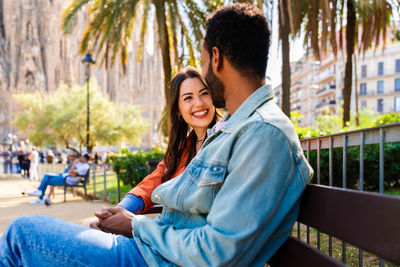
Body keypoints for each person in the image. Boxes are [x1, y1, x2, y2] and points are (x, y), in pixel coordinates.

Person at [0, 4, 313, 266]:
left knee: (21, 235)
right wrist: (125, 214)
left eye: (203, 62)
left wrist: (135, 227)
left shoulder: (263, 134)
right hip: (155, 251)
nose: (204, 73)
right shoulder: (237, 128)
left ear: (216, 59)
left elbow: (218, 253)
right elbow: (167, 185)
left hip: (154, 259)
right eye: (187, 98)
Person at [90, 66, 219, 228]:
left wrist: (133, 225)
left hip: (183, 243)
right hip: (164, 239)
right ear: (178, 111)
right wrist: (118, 211)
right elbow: (152, 183)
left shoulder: (225, 140)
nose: (199, 103)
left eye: (204, 93)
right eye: (188, 98)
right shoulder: (182, 150)